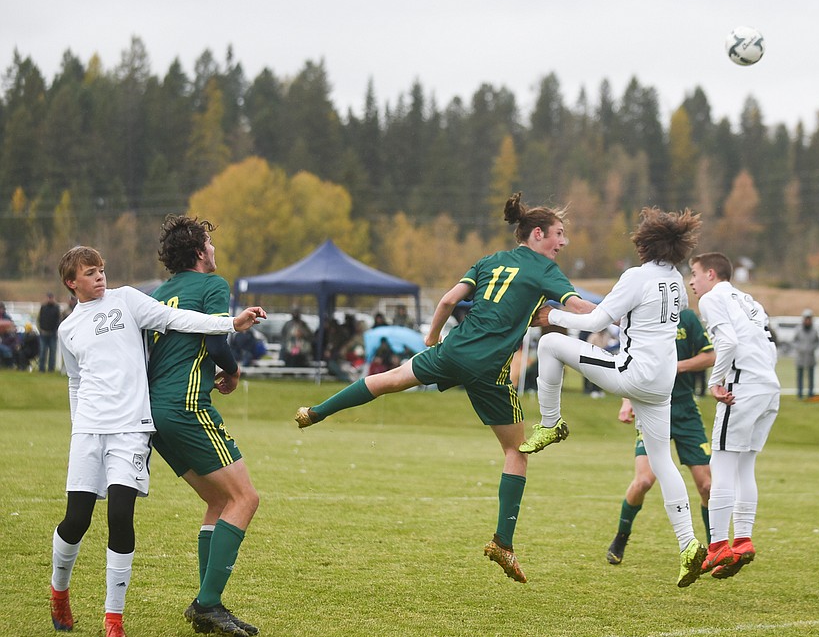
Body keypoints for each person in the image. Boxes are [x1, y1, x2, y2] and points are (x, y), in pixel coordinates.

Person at [295, 194, 594, 583]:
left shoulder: (489, 261)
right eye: (559, 234)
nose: (563, 242)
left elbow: (449, 300)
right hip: (489, 369)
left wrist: (433, 338)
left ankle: (315, 411)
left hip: (454, 349)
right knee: (516, 451)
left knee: (390, 380)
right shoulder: (545, 270)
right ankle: (503, 542)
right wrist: (625, 313)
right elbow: (580, 309)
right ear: (537, 234)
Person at [50, 245, 264, 637]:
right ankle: (59, 590)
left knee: (120, 517)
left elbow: (176, 318)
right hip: (90, 431)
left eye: (102, 269)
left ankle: (113, 619)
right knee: (76, 520)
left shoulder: (129, 300)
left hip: (133, 428)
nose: (100, 276)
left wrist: (231, 325)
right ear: (71, 283)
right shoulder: (68, 329)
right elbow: (75, 381)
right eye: (90, 272)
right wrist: (78, 425)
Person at [524, 207, 709, 588]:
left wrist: (552, 316)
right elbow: (638, 319)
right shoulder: (676, 281)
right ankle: (688, 544)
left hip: (633, 374)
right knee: (662, 462)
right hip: (662, 384)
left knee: (552, 345)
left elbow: (594, 323)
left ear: (645, 243)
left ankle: (549, 423)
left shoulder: (636, 276)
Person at [148, 215, 272, 637]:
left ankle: (207, 601)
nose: (215, 250)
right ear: (200, 252)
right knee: (246, 498)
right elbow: (217, 341)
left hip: (155, 412)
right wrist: (233, 371)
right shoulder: (212, 286)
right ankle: (207, 603)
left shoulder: (160, 293)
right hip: (186, 406)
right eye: (210, 243)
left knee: (219, 501)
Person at [688, 252, 780, 580]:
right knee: (745, 467)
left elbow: (725, 342)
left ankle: (718, 546)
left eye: (695, 274)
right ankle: (742, 539)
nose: (691, 281)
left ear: (711, 274)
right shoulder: (748, 300)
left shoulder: (713, 298)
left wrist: (716, 382)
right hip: (769, 386)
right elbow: (770, 347)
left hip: (743, 388)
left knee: (722, 464)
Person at [606, 307, 714, 565]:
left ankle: (715, 549)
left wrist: (675, 366)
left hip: (685, 410)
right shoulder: (642, 316)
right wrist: (626, 402)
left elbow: (710, 356)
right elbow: (628, 365)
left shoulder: (687, 318)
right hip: (650, 407)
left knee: (707, 486)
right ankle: (621, 536)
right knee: (643, 481)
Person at [792, 309, 819, 399]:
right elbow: (794, 341)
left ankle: (810, 393)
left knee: (811, 376)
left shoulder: (814, 330)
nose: (807, 321)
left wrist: (812, 348)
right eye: (806, 319)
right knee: (800, 376)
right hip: (801, 356)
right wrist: (799, 348)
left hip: (811, 356)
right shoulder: (798, 330)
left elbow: (817, 341)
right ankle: (800, 393)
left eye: (809, 319)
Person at [39, 292, 62, 372]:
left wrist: (55, 330)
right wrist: (41, 329)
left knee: (52, 353)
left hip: (52, 334)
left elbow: (58, 320)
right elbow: (40, 319)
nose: (50, 299)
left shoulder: (56, 308)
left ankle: (51, 369)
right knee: (42, 352)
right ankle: (41, 368)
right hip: (43, 333)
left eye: (51, 298)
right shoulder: (43, 307)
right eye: (48, 297)